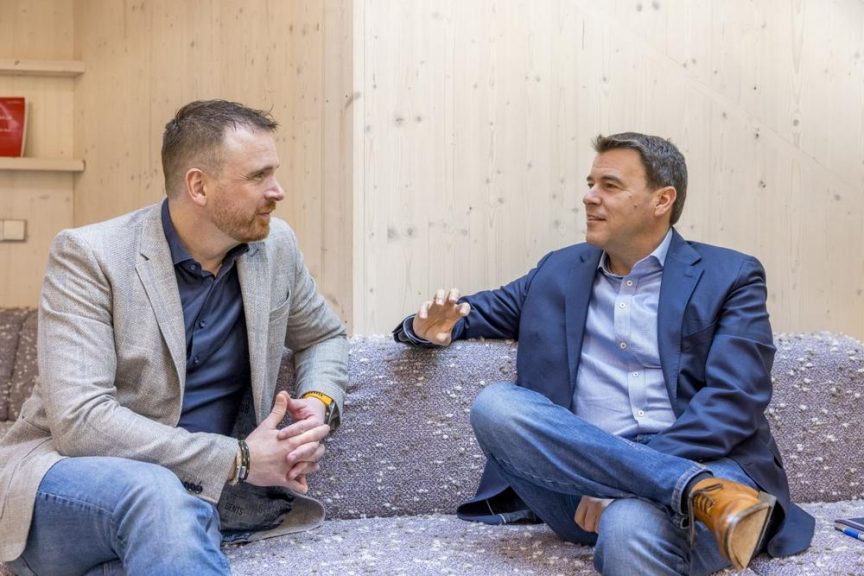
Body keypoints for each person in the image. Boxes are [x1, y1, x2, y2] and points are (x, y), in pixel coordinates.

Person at [394, 132, 814, 575]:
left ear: (662, 200)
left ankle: (672, 489)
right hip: (583, 488)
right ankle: (688, 488)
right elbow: (467, 314)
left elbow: (735, 400)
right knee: (495, 405)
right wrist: (424, 328)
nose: (589, 196)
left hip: (709, 466)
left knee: (628, 526)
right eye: (590, 183)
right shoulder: (558, 271)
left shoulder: (730, 276)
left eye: (609, 186)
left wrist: (623, 484)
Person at [0, 100, 348, 575]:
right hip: (68, 481)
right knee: (157, 492)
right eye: (258, 176)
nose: (278, 191)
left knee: (172, 509)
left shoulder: (275, 247)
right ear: (198, 186)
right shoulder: (89, 256)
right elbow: (82, 421)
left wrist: (319, 402)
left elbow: (323, 334)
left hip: (207, 501)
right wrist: (239, 459)